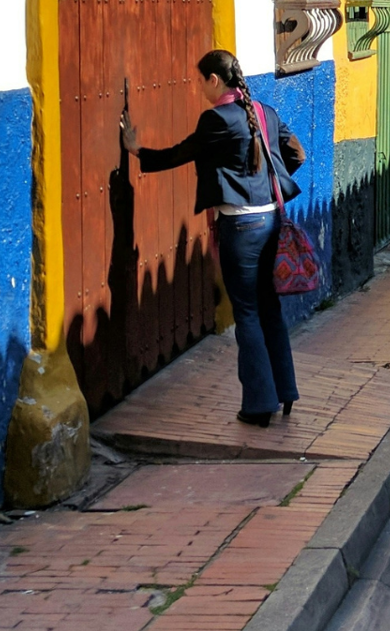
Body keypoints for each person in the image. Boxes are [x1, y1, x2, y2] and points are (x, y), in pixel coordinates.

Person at [121, 49, 306, 428]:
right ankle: (284, 392)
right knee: (269, 308)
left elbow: (181, 154)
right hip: (272, 220)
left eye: (200, 81)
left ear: (214, 80)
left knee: (248, 314)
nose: (199, 88)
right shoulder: (265, 112)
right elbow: (296, 154)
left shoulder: (216, 119)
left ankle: (258, 406)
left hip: (240, 228)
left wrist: (136, 151)